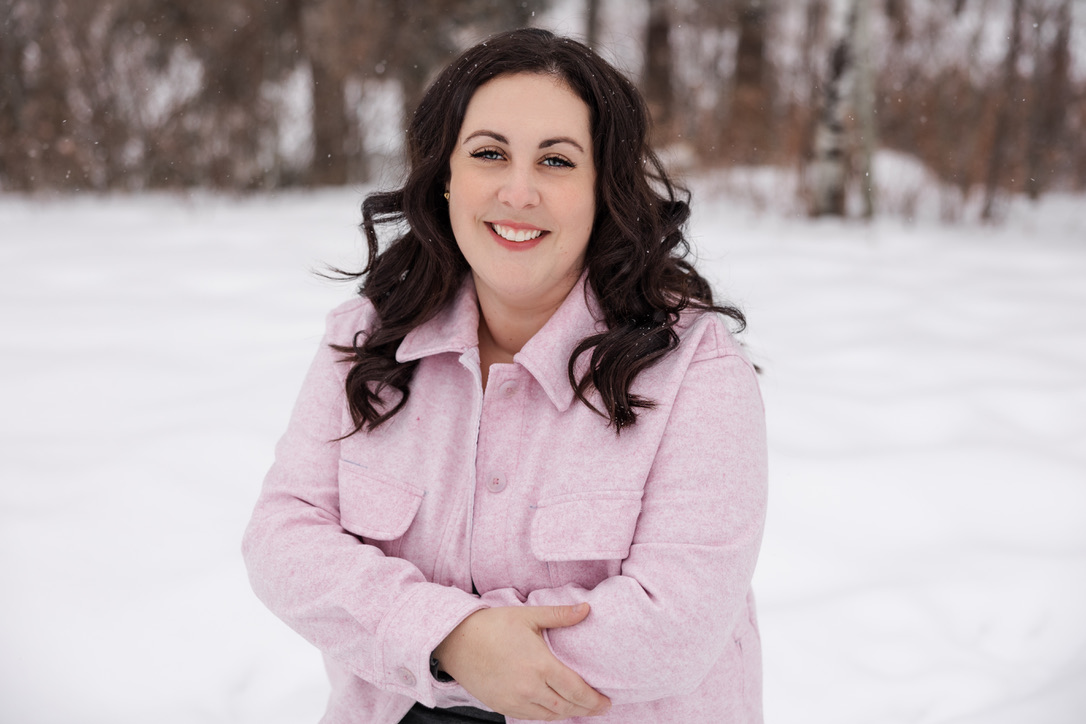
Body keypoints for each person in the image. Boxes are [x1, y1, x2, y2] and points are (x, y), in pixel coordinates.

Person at [242, 27, 767, 724]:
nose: (517, 191)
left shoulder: (696, 370)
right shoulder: (367, 338)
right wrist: (446, 637)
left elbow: (674, 625)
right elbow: (284, 538)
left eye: (556, 161)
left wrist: (452, 641)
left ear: (602, 189)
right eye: (490, 154)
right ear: (448, 174)